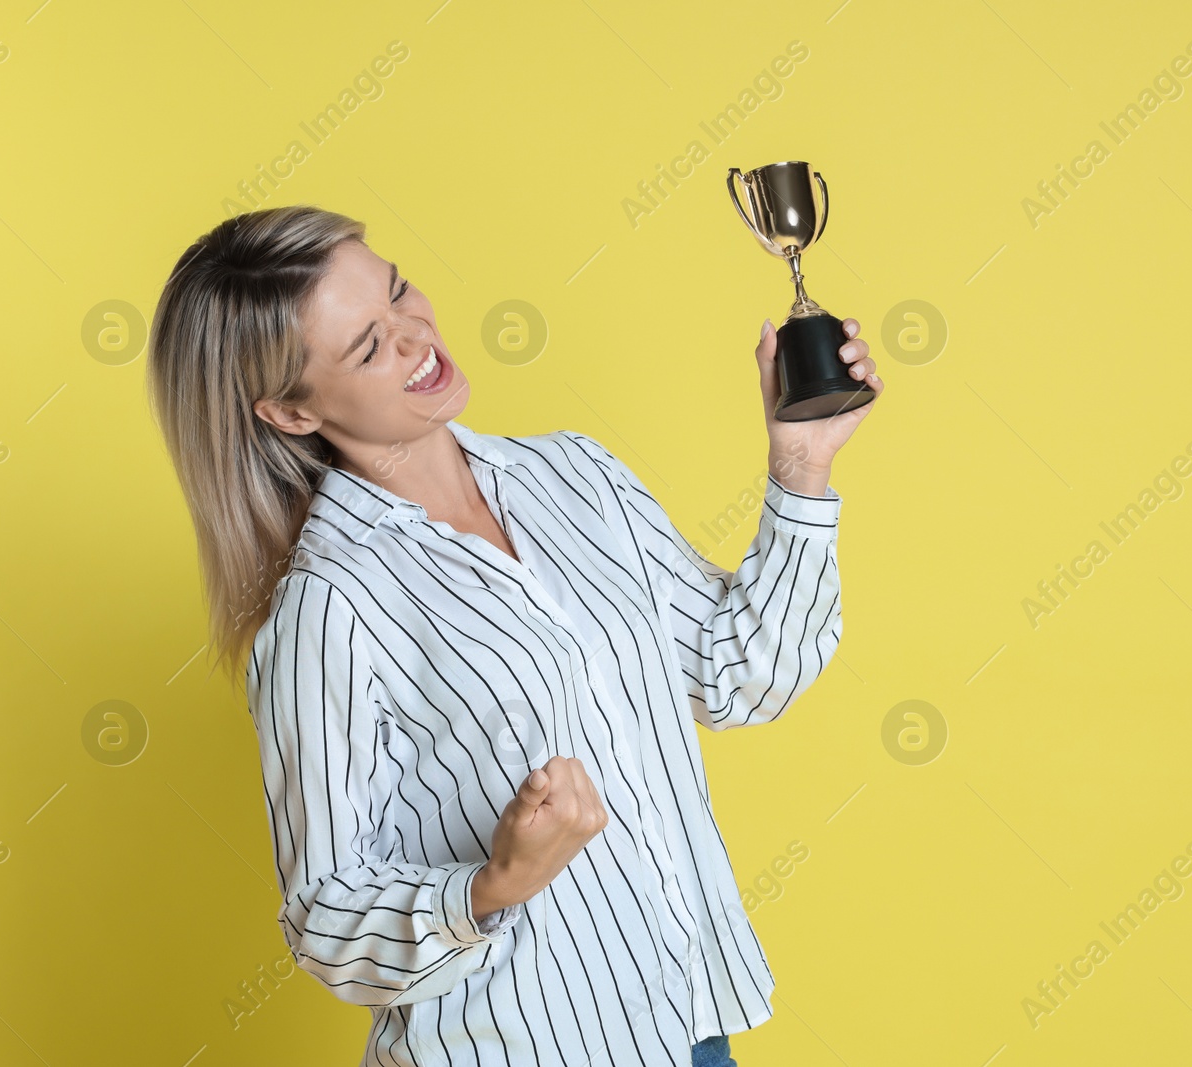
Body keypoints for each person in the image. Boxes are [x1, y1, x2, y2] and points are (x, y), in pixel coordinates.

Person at [145, 204, 882, 1066]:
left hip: (684, 1028)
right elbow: (325, 915)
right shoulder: (330, 607)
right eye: (368, 347)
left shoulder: (577, 475)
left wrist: (802, 467)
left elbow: (737, 675)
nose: (416, 335)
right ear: (291, 414)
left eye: (397, 293)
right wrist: (496, 883)